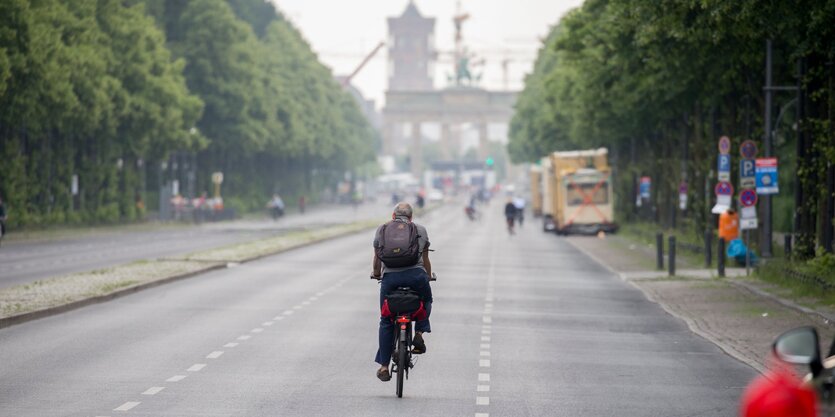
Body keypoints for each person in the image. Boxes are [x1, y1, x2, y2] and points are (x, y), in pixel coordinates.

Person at [371, 202, 433, 382]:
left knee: (386, 318)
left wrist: (376, 274)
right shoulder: (420, 229)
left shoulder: (382, 230)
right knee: (426, 300)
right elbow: (425, 258)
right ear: (411, 218)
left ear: (393, 215)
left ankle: (384, 366)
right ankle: (419, 334)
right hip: (416, 277)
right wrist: (427, 277)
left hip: (390, 279)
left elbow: (377, 258)